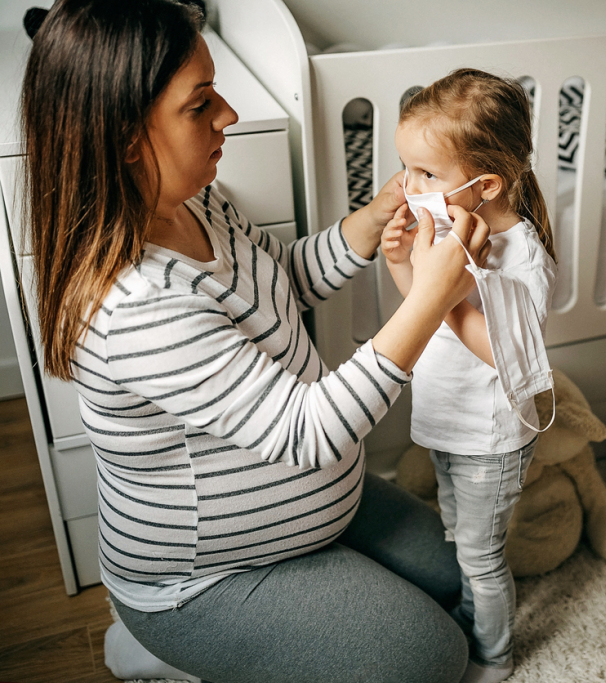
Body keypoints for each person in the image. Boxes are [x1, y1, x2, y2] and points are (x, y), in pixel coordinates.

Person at [20, 1, 494, 682]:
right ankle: (164, 641)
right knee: (432, 656)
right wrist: (429, 298)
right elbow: (308, 430)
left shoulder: (192, 198)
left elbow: (283, 283)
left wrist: (376, 216)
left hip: (319, 505)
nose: (229, 116)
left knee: (455, 576)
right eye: (200, 104)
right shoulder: (134, 304)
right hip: (212, 573)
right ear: (127, 136)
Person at [380, 69, 558, 683]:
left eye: (426, 174)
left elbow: (504, 353)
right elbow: (421, 317)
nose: (408, 185)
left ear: (484, 186)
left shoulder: (522, 257)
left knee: (482, 559)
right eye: (406, 168)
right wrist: (408, 265)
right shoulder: (453, 230)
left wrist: (446, 287)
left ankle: (495, 655)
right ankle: (467, 616)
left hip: (489, 438)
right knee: (459, 536)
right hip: (449, 423)